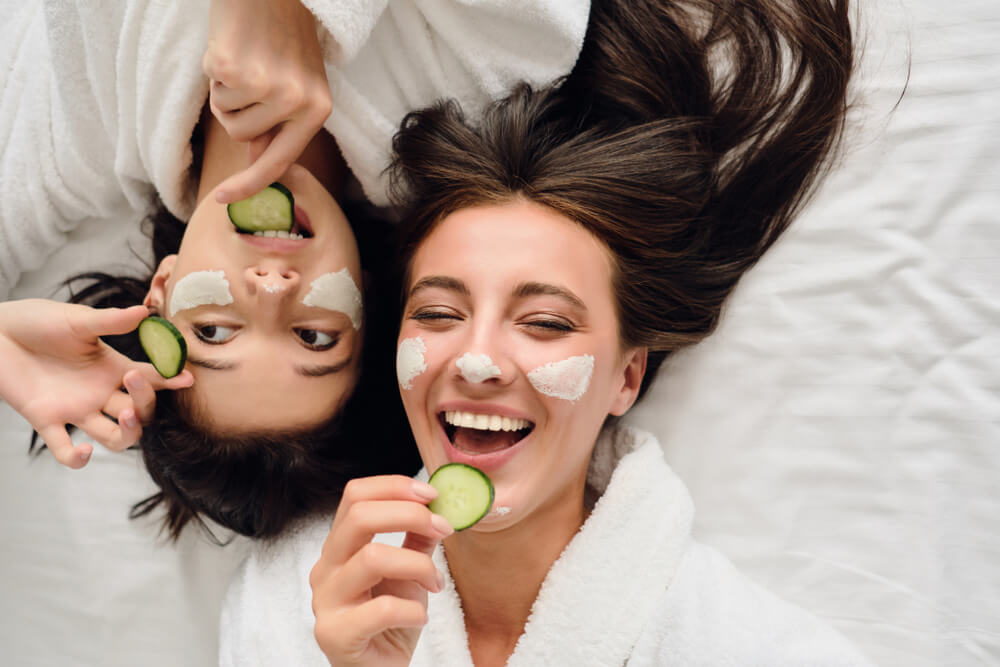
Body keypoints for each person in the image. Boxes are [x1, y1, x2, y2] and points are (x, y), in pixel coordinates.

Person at [224, 0, 871, 664]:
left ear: (626, 375)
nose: (476, 361)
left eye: (545, 322)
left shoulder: (753, 646)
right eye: (440, 314)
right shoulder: (291, 603)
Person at [0, 0, 589, 540]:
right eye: (313, 337)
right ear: (375, 301)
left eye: (214, 331)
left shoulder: (81, 128)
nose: (273, 289)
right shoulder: (486, 79)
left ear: (162, 290)